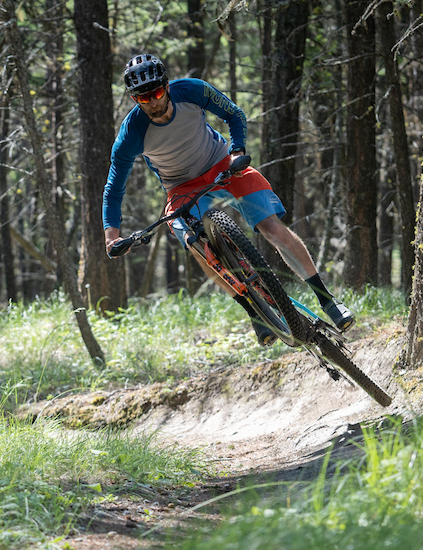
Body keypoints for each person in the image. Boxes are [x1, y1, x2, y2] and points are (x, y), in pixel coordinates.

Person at [102, 53, 354, 345]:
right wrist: (112, 236)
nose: (153, 103)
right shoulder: (131, 133)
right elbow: (113, 188)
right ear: (135, 100)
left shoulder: (192, 91)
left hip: (222, 162)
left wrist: (237, 150)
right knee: (196, 245)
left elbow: (234, 114)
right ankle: (255, 312)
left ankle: (328, 301)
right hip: (180, 186)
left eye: (157, 93)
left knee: (272, 228)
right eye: (143, 99)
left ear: (167, 86)